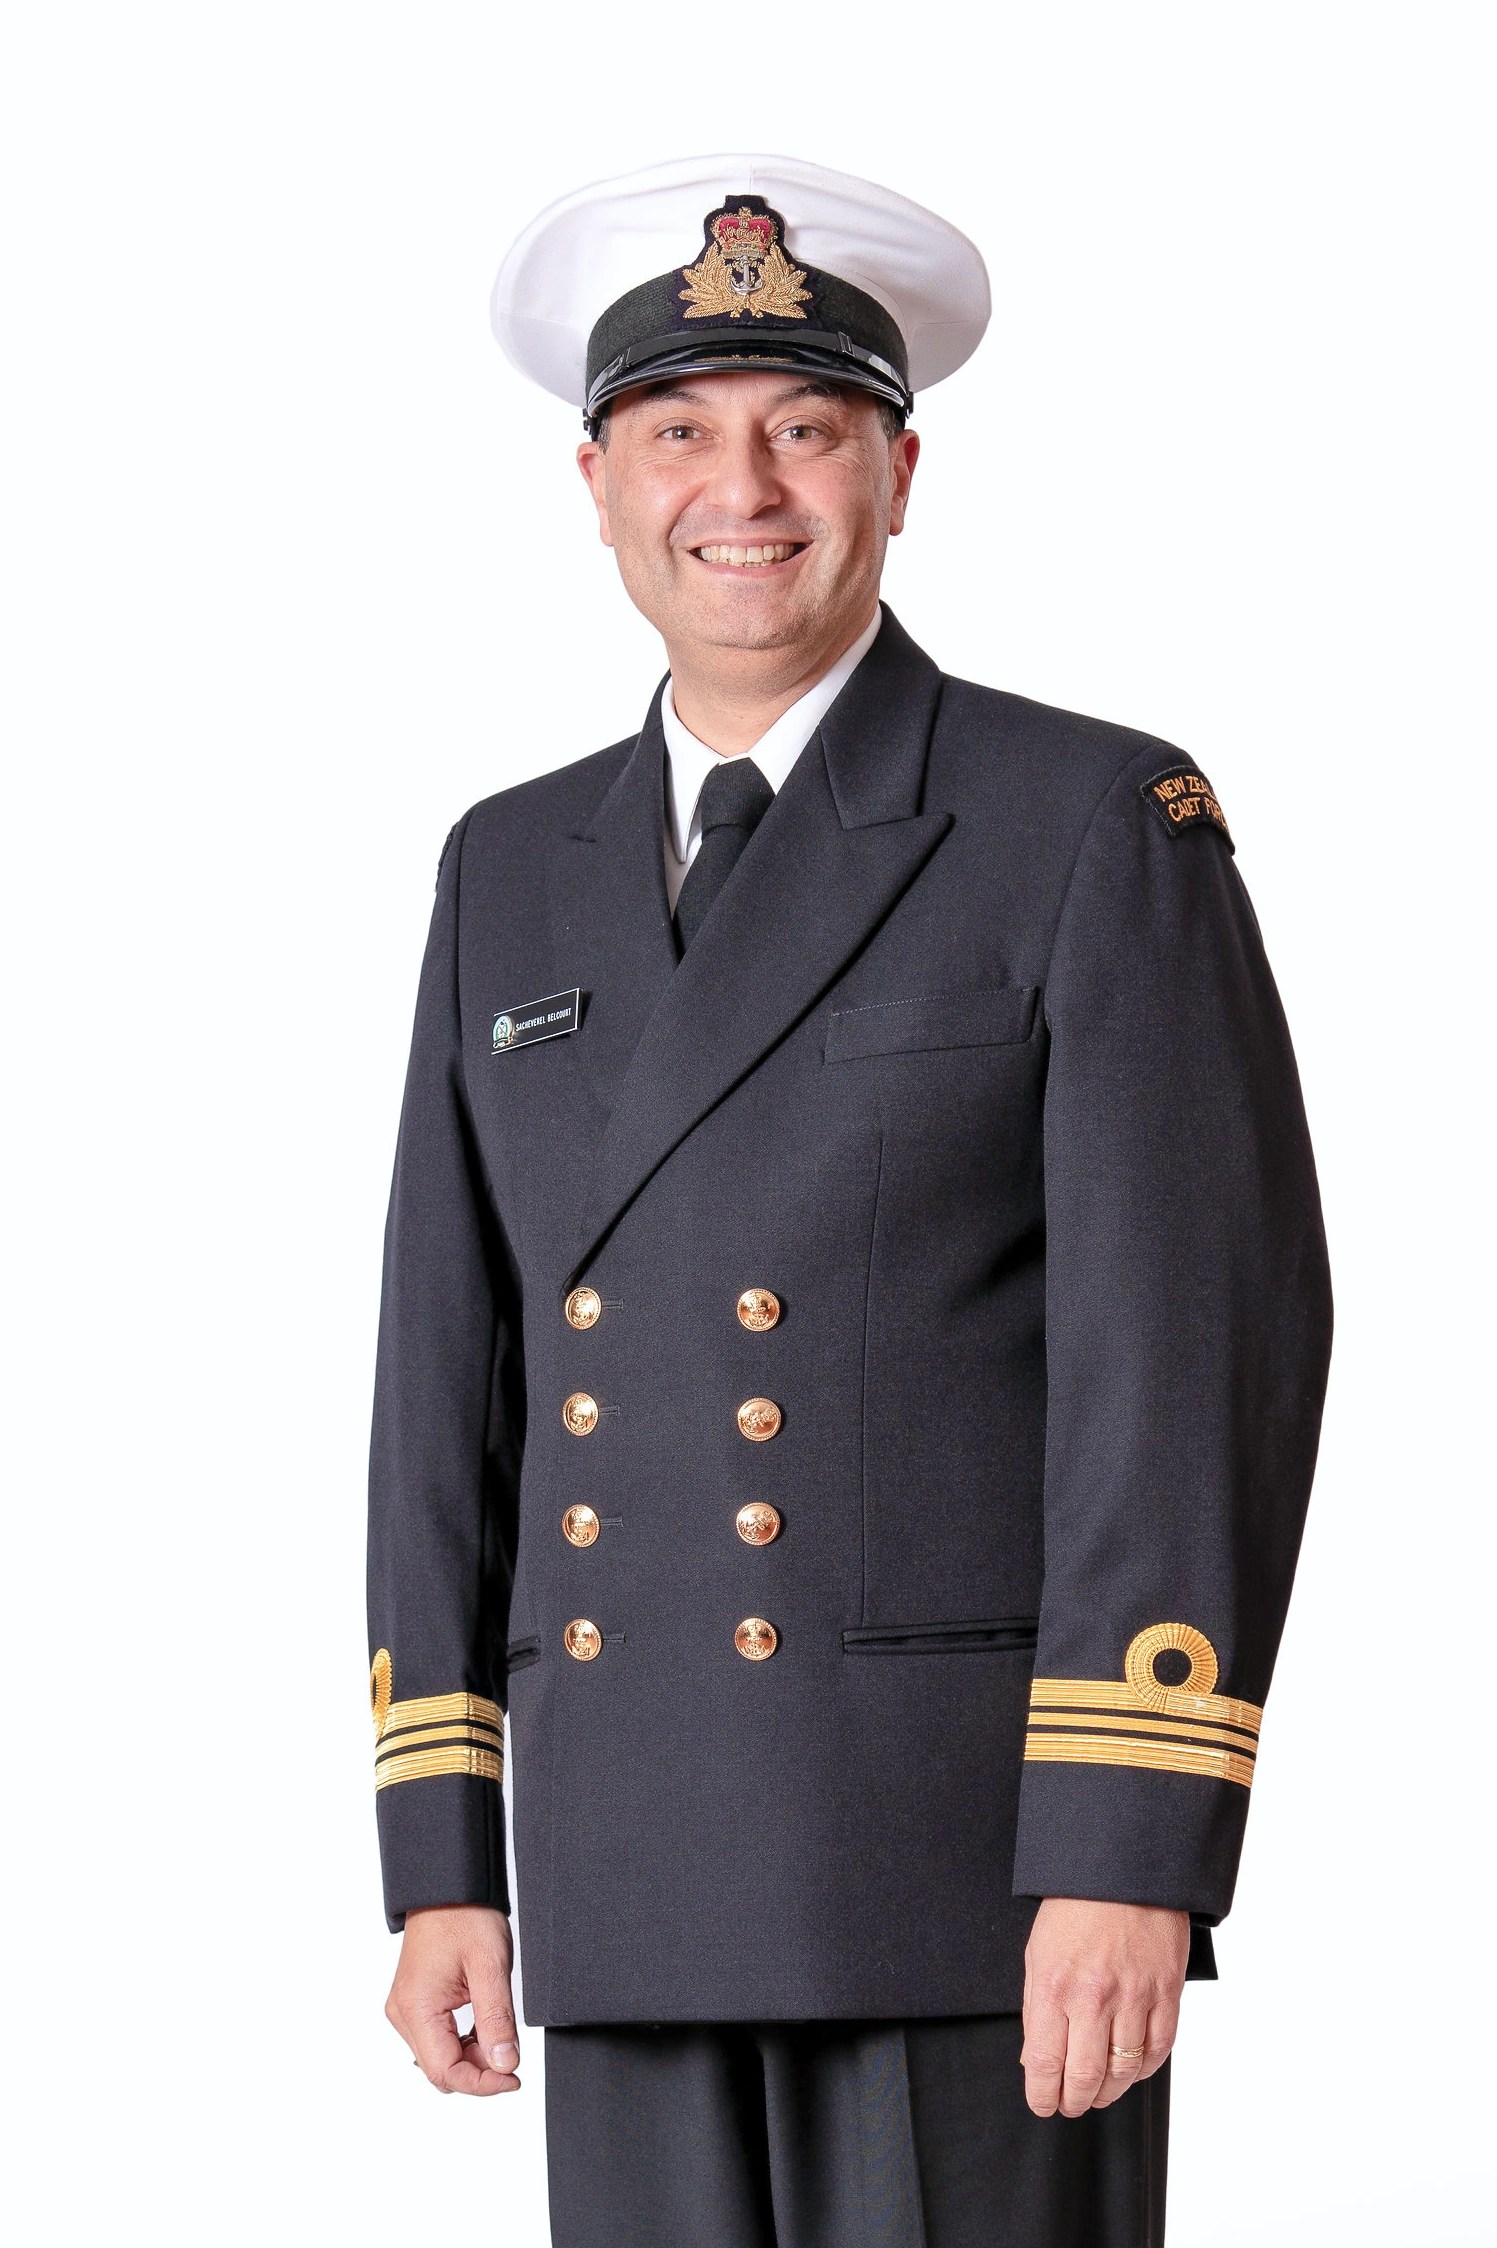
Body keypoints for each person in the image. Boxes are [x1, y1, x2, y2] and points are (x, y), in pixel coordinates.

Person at [367, 154, 1332, 2247]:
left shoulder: (1085, 818)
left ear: (900, 472)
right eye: (678, 435)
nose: (744, 487)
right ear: (598, 482)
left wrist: (1128, 1837)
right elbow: (450, 1374)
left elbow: (1191, 1356)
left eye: (804, 428)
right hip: (619, 1858)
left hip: (963, 1867)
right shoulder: (507, 864)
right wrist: (444, 1849)